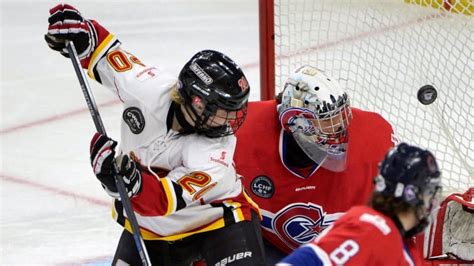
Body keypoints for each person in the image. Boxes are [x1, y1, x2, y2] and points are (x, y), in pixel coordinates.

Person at [45, 4, 266, 265]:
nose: (231, 119)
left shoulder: (216, 150)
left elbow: (164, 199)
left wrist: (128, 183)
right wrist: (82, 34)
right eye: (223, 110)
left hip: (217, 223)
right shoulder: (147, 88)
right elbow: (105, 56)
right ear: (196, 101)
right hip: (150, 229)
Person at [234, 65, 396, 263]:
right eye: (326, 122)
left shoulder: (374, 139)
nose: (338, 132)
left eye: (340, 118)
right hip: (269, 249)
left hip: (342, 253)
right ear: (294, 121)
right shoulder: (241, 133)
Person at [278, 142, 443, 265]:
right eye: (429, 193)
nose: (432, 201)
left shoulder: (404, 247)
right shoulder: (372, 228)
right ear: (412, 194)